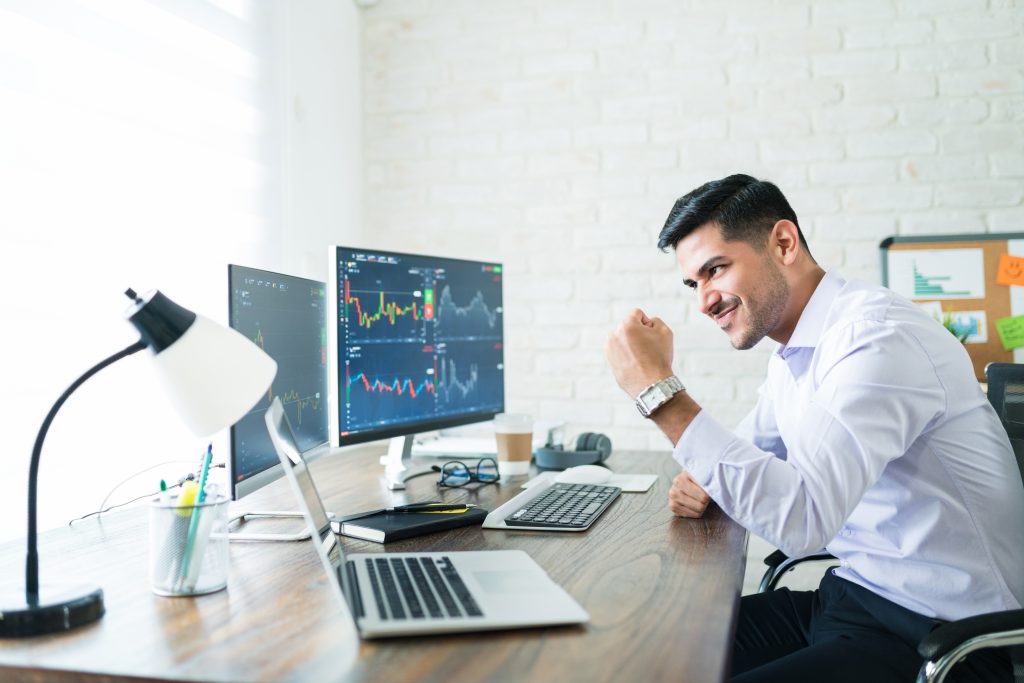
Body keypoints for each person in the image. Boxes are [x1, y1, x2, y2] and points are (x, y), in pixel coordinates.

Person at [604, 173, 1024, 682]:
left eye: (715, 270)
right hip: (853, 599)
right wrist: (704, 480)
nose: (704, 301)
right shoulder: (793, 352)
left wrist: (659, 392)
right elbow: (738, 455)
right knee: (642, 650)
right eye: (694, 283)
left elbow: (802, 521)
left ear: (783, 242)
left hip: (948, 640)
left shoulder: (875, 339)